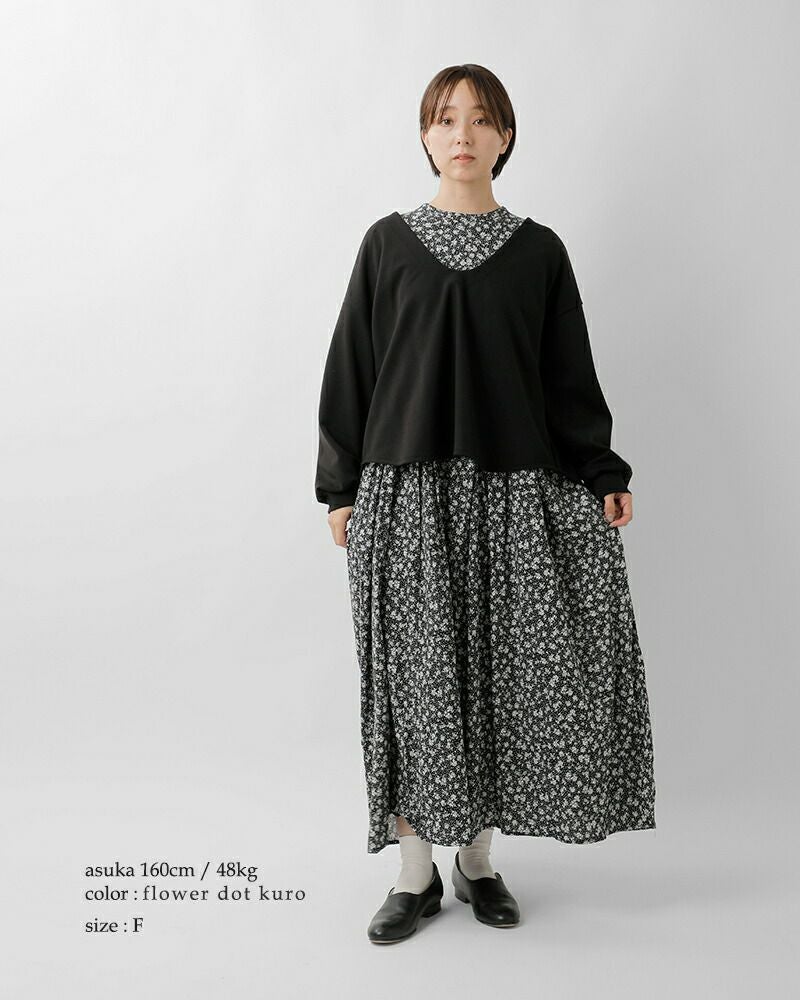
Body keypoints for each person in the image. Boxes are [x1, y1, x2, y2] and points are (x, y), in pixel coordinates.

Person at [315, 64, 657, 945]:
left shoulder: (540, 253)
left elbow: (568, 379)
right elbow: (352, 368)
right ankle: (414, 873)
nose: (461, 134)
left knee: (499, 680)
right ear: (425, 136)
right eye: (444, 118)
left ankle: (477, 863)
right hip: (407, 500)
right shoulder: (387, 244)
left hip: (512, 499)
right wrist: (339, 485)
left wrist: (602, 473)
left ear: (505, 137)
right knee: (416, 685)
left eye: (479, 119)